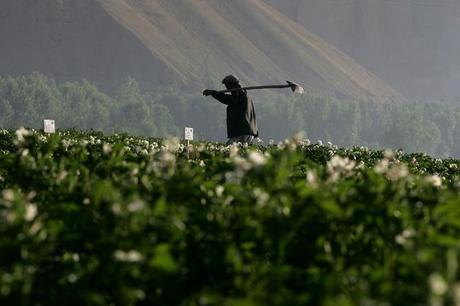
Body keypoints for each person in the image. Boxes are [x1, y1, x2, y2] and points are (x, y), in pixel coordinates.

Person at [203, 75, 258, 145]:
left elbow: (228, 99)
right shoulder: (242, 95)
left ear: (232, 85)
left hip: (242, 132)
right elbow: (230, 98)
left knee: (228, 151)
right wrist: (217, 94)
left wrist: (213, 93)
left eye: (227, 86)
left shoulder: (241, 95)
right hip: (245, 131)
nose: (227, 88)